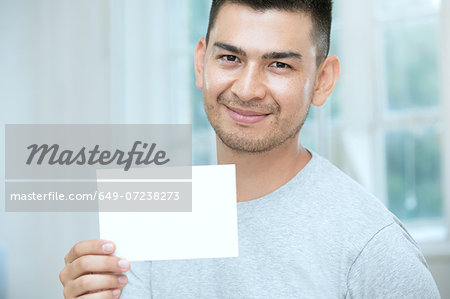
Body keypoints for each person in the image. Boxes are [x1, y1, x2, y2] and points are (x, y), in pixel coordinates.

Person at [59, 0, 441, 298]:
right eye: (230, 58)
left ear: (322, 81)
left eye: (278, 65)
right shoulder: (153, 217)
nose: (246, 89)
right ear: (200, 62)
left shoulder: (372, 247)